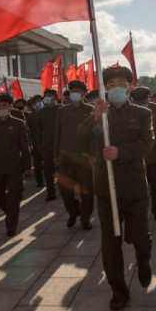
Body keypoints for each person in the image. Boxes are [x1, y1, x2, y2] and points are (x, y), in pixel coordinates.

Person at [78, 66, 153, 311]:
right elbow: (79, 138)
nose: (116, 87)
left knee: (140, 238)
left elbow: (146, 143)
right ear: (105, 89)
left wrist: (120, 152)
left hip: (133, 186)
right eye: (111, 84)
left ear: (129, 86)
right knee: (111, 245)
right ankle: (118, 291)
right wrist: (94, 118)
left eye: (121, 82)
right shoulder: (99, 112)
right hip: (106, 189)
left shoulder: (142, 114)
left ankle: (143, 261)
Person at [0, 94, 31, 236]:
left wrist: (27, 166)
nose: (1, 108)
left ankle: (11, 226)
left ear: (10, 107)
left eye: (5, 105)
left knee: (14, 196)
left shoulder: (19, 123)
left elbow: (25, 147)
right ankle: (11, 212)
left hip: (14, 166)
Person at [54, 80, 95, 229]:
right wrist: (55, 154)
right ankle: (73, 211)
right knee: (65, 190)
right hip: (65, 157)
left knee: (87, 191)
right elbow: (57, 134)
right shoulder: (62, 111)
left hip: (85, 158)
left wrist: (93, 155)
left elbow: (95, 135)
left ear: (84, 93)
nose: (75, 94)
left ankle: (85, 218)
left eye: (78, 91)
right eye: (72, 91)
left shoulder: (91, 110)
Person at [130, 86, 156, 221]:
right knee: (137, 186)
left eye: (142, 100)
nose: (140, 103)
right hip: (135, 155)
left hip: (155, 153)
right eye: (137, 101)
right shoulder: (129, 110)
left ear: (148, 97)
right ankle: (140, 210)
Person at [33, 89, 60, 200]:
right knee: (48, 171)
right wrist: (38, 144)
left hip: (61, 145)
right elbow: (37, 130)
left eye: (50, 95)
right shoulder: (41, 112)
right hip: (47, 146)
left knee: (64, 170)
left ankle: (66, 190)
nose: (47, 97)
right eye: (46, 96)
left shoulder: (62, 110)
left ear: (55, 97)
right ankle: (51, 192)